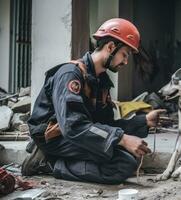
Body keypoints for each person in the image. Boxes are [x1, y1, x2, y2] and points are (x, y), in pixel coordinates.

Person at [22, 18, 165, 184]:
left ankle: (60, 160)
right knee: (124, 163)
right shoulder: (70, 75)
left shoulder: (100, 82)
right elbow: (73, 126)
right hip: (55, 138)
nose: (126, 62)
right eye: (124, 55)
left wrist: (144, 121)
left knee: (123, 151)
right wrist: (122, 139)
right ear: (111, 47)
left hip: (78, 132)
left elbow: (105, 124)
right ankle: (49, 163)